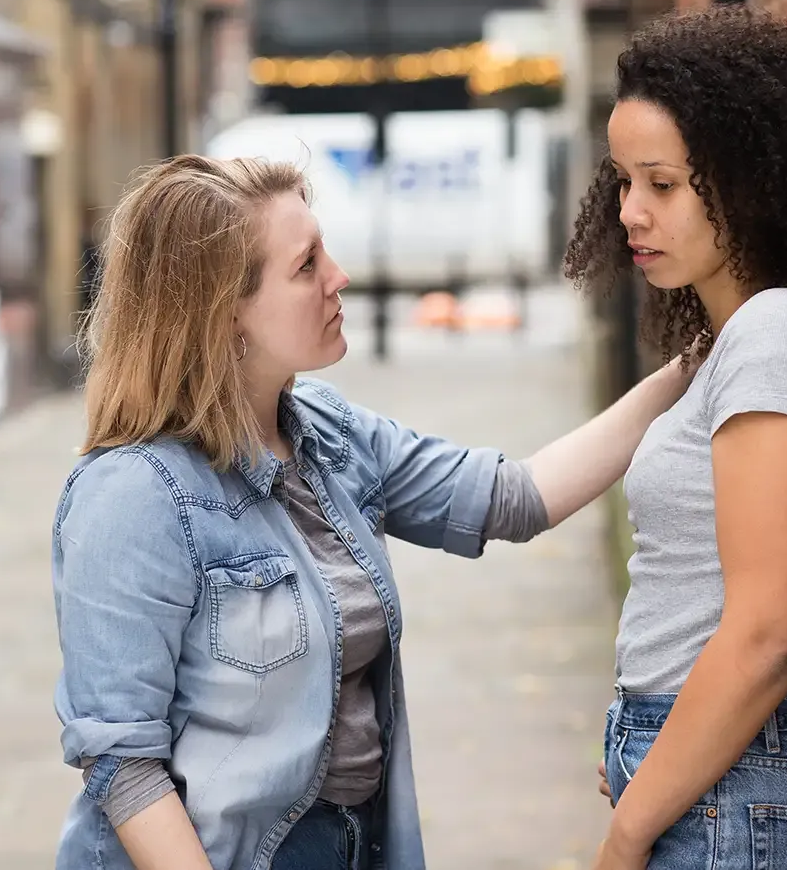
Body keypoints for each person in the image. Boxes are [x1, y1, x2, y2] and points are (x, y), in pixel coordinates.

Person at [52, 154, 696, 870]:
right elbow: (123, 764)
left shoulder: (326, 431)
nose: (339, 276)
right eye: (306, 265)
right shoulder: (133, 495)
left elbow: (513, 496)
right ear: (223, 313)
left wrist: (691, 365)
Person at [566, 6, 787, 870]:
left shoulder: (778, 338)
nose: (630, 211)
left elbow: (768, 632)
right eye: (622, 179)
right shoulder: (735, 344)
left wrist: (632, 828)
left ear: (748, 180)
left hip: (751, 794)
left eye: (662, 184)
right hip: (731, 782)